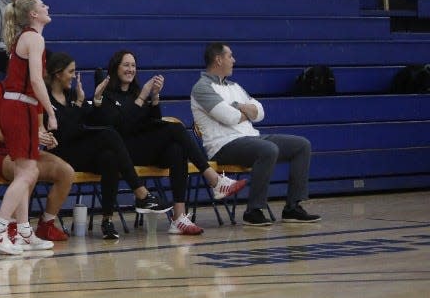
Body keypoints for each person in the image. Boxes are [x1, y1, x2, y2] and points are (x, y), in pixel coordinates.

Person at [99, 50, 248, 236]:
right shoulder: (107, 95)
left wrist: (154, 98)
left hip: (144, 147)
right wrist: (143, 96)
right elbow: (121, 127)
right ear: (116, 67)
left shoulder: (137, 92)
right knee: (176, 129)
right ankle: (214, 179)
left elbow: (153, 122)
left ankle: (178, 217)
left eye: (133, 66)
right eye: (126, 65)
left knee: (177, 149)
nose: (130, 69)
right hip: (124, 153)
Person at [190, 42, 321, 226]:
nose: (233, 60)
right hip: (224, 146)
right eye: (230, 56)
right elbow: (229, 117)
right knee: (267, 149)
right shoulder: (201, 88)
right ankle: (254, 210)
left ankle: (293, 208)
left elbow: (260, 112)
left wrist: (238, 108)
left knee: (301, 145)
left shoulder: (235, 86)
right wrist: (242, 111)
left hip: (252, 138)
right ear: (218, 60)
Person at [44, 52, 170, 241]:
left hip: (80, 151)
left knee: (109, 157)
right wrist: (79, 103)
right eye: (70, 71)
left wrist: (95, 100)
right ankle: (141, 192)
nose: (73, 75)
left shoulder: (72, 94)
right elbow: (64, 131)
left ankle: (107, 221)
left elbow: (91, 121)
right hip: (61, 155)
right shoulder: (46, 99)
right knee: (110, 134)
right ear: (57, 74)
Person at [0, 0, 57, 255]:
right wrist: (50, 110)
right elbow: (36, 81)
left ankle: (24, 231)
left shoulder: (24, 37)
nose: (47, 7)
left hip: (15, 106)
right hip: (20, 106)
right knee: (27, 173)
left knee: (28, 171)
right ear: (33, 14)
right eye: (42, 5)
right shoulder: (34, 38)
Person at [0, 80, 72, 242]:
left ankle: (47, 225)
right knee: (28, 171)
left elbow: (39, 129)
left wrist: (46, 138)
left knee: (66, 172)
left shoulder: (35, 93)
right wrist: (29, 135)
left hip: (28, 150)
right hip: (1, 153)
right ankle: (12, 227)